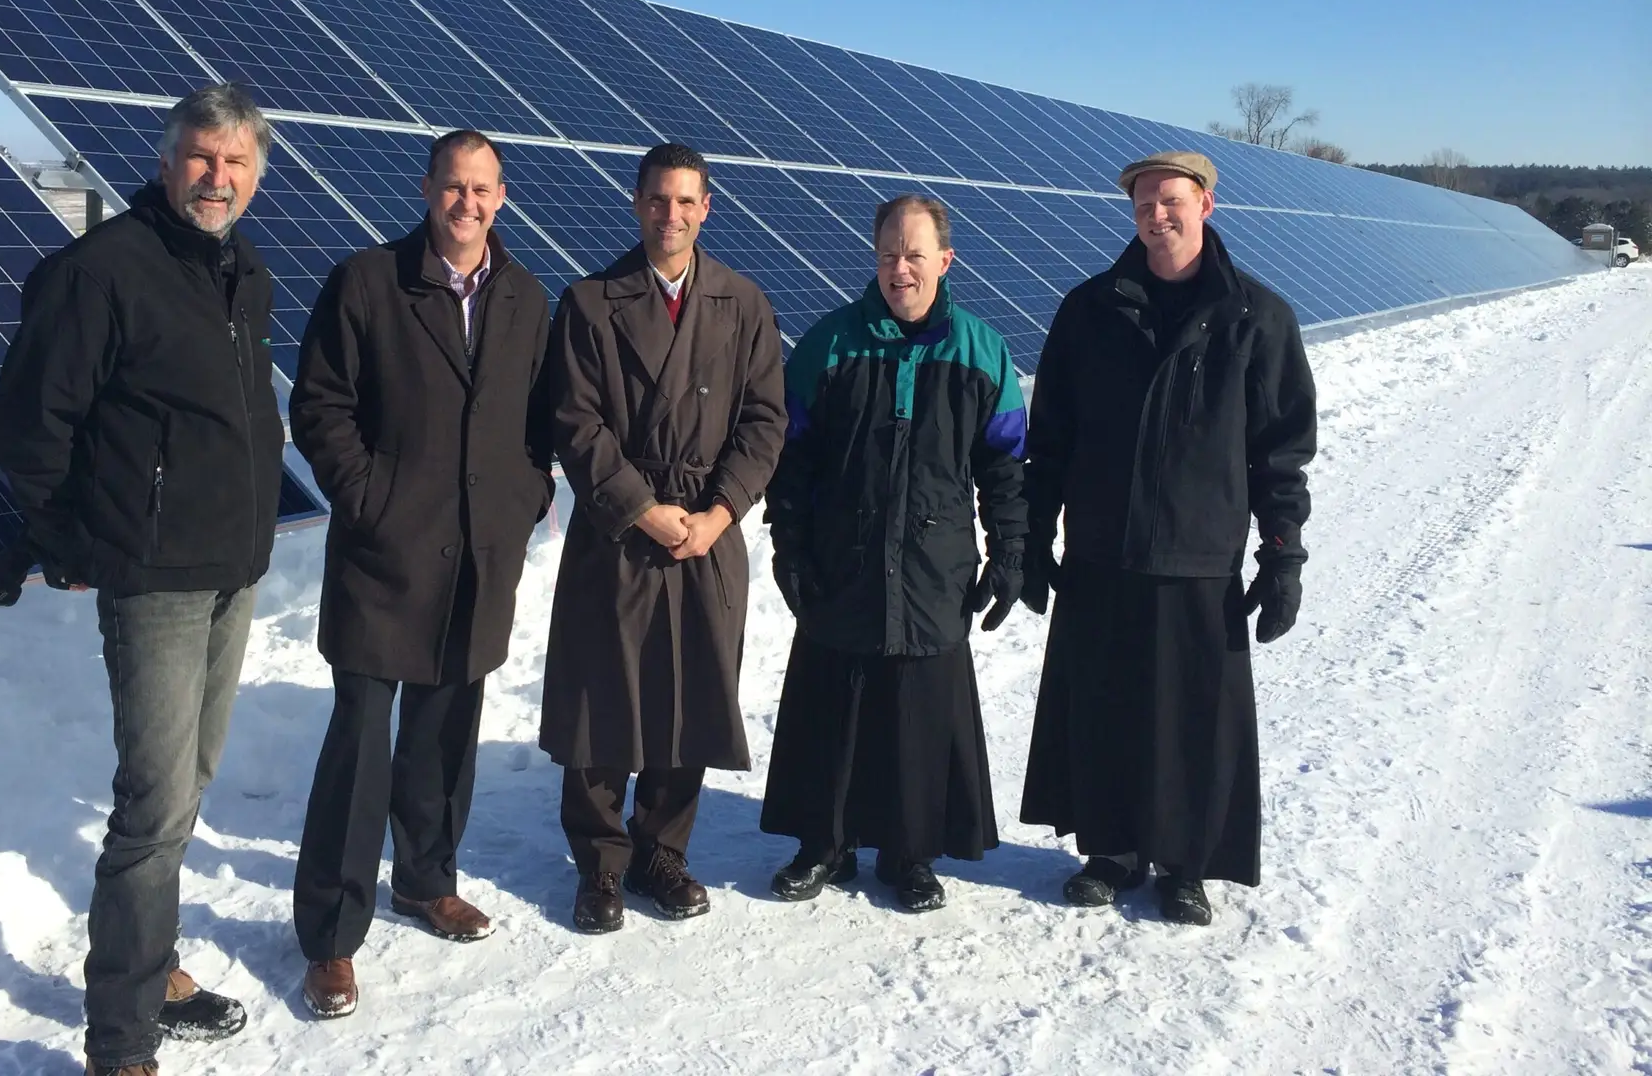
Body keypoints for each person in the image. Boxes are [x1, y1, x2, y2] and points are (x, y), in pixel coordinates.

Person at [0, 83, 285, 1076]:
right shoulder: (104, 271)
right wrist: (68, 537)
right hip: (154, 581)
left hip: (230, 571)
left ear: (257, 173)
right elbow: (31, 423)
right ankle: (119, 1041)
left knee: (186, 793)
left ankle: (147, 964)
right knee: (151, 811)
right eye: (201, 158)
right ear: (166, 165)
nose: (218, 177)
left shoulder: (244, 272)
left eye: (236, 162)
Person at [286, 130, 553, 1019]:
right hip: (383, 556)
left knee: (446, 736)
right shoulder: (368, 281)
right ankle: (330, 936)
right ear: (428, 189)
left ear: (502, 197)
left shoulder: (523, 297)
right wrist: (370, 499)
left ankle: (427, 879)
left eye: (482, 189)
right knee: (359, 749)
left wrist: (523, 495)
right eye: (452, 187)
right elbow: (319, 405)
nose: (466, 203)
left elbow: (539, 419)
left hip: (479, 554)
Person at [1017, 151, 1316, 926]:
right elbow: (1049, 439)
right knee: (1106, 705)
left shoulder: (1257, 316)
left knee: (1193, 718)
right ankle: (1111, 849)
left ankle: (1186, 862)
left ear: (1206, 205)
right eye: (1145, 205)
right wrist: (1030, 540)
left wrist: (1281, 554)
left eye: (1172, 202)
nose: (1158, 217)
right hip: (1101, 550)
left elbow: (1280, 452)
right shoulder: (1089, 311)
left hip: (1198, 554)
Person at [539, 142, 786, 933]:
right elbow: (575, 423)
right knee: (603, 698)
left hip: (707, 530)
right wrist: (642, 510)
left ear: (706, 208)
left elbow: (763, 420)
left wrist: (719, 514)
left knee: (691, 698)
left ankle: (661, 853)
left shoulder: (742, 302)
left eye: (686, 202)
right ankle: (600, 865)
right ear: (636, 203)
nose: (671, 216)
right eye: (657, 201)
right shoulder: (589, 302)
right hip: (622, 526)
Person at [761, 194, 1028, 913]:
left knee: (918, 712)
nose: (899, 269)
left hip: (934, 565)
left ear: (944, 259)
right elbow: (791, 459)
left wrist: (1010, 550)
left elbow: (1005, 463)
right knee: (834, 702)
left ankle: (910, 854)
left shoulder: (980, 350)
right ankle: (824, 843)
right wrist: (789, 548)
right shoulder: (830, 345)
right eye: (886, 254)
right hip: (840, 558)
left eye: (913, 254)